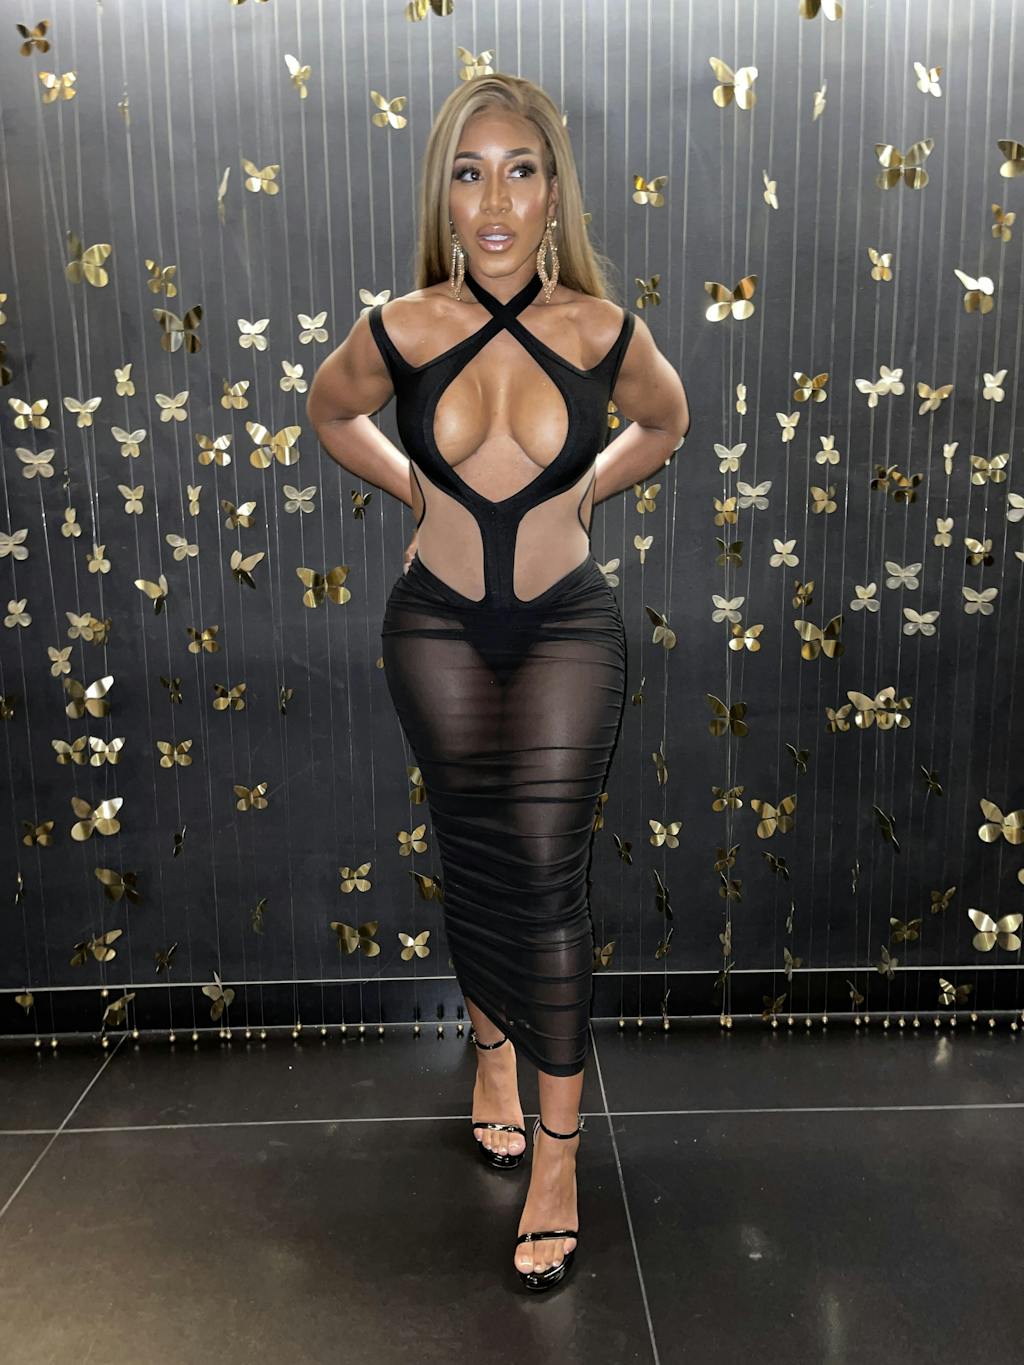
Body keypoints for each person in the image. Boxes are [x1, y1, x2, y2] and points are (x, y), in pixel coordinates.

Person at [308, 73, 689, 1291]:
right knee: (472, 853)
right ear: (445, 195)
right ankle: (488, 1056)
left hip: (567, 623)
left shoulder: (602, 333)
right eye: (468, 173)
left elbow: (665, 422)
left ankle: (559, 1162)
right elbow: (330, 412)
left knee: (545, 871)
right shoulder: (403, 327)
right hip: (435, 625)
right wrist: (415, 489)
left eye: (519, 171)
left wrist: (587, 490)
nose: (493, 200)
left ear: (552, 193)